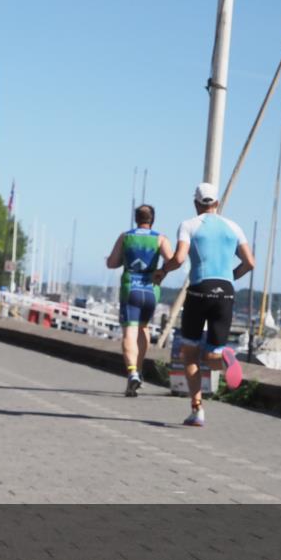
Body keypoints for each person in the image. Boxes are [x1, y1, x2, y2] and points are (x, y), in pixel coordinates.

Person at [154, 183, 254, 427]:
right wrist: (229, 276)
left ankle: (197, 410)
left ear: (196, 203)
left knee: (189, 354)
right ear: (217, 203)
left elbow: (178, 259)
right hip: (226, 291)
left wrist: (162, 271)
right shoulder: (234, 227)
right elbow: (250, 262)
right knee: (212, 355)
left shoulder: (189, 225)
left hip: (200, 290)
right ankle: (227, 359)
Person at [106, 204, 173, 396]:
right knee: (143, 328)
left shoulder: (125, 237)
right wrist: (161, 272)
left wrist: (122, 261)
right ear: (153, 219)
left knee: (130, 330)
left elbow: (112, 263)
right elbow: (172, 261)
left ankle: (132, 372)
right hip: (151, 290)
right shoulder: (160, 238)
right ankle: (139, 370)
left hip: (131, 289)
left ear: (136, 218)